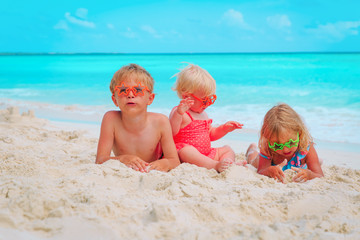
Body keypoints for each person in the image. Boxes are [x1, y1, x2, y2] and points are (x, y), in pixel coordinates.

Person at [96, 63, 180, 172]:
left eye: (138, 90)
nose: (130, 94)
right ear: (115, 100)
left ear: (150, 98)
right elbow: (100, 160)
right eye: (123, 90)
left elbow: (174, 161)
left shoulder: (161, 122)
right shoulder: (111, 119)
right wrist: (123, 159)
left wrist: (164, 162)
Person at [169, 63, 245, 172]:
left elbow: (211, 134)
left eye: (210, 99)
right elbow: (172, 131)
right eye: (205, 100)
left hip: (207, 154)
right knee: (186, 151)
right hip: (189, 156)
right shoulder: (180, 112)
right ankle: (215, 166)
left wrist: (224, 129)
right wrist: (178, 114)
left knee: (227, 149)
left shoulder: (203, 114)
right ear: (186, 96)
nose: (207, 104)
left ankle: (228, 164)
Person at [246, 103, 324, 182]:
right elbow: (261, 170)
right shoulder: (267, 148)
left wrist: (310, 175)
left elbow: (319, 175)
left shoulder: (306, 148)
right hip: (263, 160)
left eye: (290, 143)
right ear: (267, 139)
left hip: (300, 164)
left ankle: (314, 161)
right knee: (253, 161)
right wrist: (269, 170)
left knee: (314, 163)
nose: (285, 150)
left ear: (299, 133)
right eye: (277, 146)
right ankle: (252, 149)